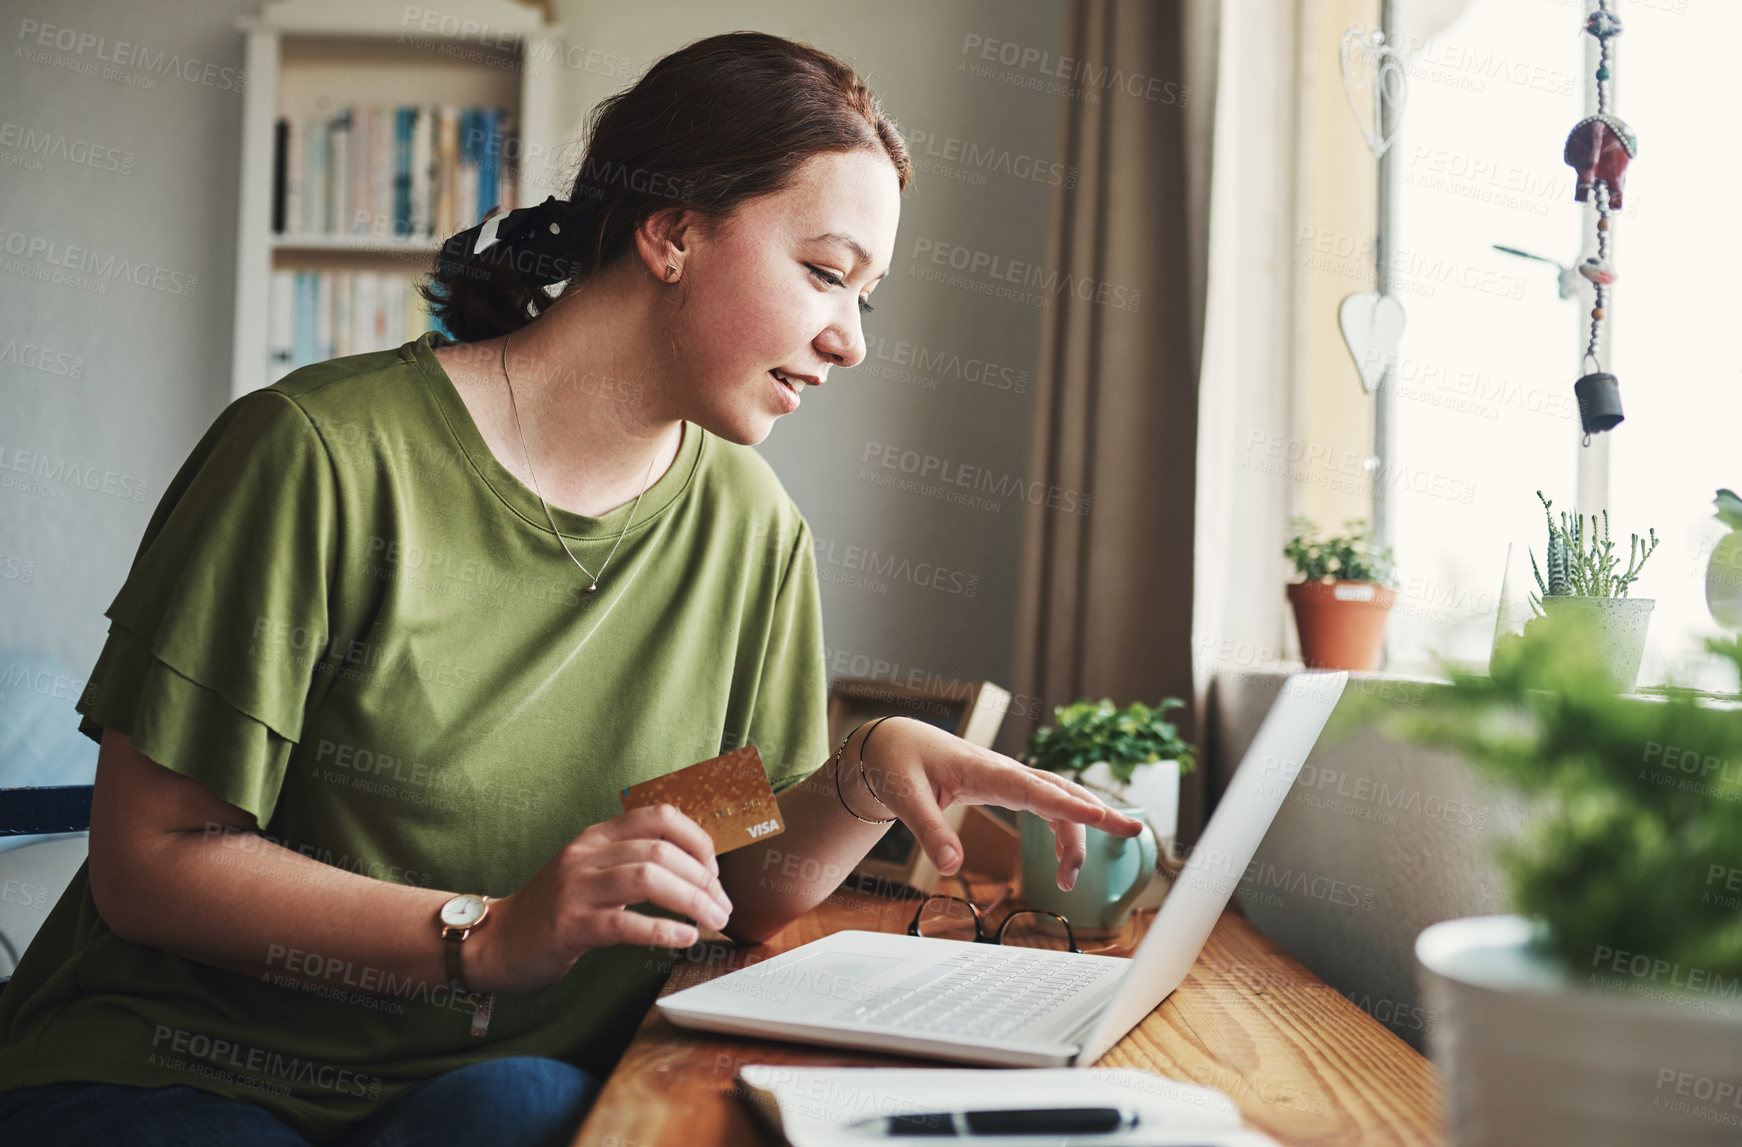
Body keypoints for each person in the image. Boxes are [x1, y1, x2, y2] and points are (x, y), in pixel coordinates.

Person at [0, 30, 1141, 1147]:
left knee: (530, 1111)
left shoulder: (750, 533)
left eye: (865, 300)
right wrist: (484, 935)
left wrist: (865, 773)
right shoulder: (318, 454)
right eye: (825, 273)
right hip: (186, 1067)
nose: (848, 340)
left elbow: (735, 886)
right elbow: (151, 861)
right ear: (672, 232)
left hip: (498, 1085)